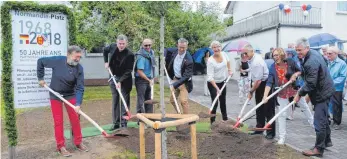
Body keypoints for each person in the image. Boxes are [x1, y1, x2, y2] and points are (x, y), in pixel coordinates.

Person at [37, 46, 88, 157]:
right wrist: (40, 78)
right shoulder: (58, 61)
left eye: (80, 57)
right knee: (58, 121)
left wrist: (78, 103)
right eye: (76, 57)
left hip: (70, 95)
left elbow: (80, 87)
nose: (78, 59)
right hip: (55, 95)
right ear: (69, 55)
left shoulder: (79, 69)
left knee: (75, 117)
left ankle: (78, 142)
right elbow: (40, 61)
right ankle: (61, 146)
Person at [293, 37, 335, 157]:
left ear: (307, 48)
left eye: (300, 50)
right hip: (325, 90)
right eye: (296, 50)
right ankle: (326, 141)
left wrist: (299, 94)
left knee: (319, 121)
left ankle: (318, 149)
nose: (298, 52)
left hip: (322, 93)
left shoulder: (311, 60)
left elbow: (311, 82)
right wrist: (300, 73)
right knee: (324, 118)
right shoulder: (313, 54)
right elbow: (312, 72)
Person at [262, 48, 311, 145]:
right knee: (281, 114)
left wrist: (294, 75)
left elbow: (300, 71)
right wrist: (265, 96)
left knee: (304, 106)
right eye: (274, 55)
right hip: (281, 91)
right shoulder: (273, 67)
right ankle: (282, 138)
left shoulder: (290, 61)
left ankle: (313, 123)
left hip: (293, 89)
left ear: (281, 55)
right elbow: (269, 82)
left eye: (277, 55)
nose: (275, 57)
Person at [243, 44, 275, 139]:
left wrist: (251, 91)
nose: (245, 55)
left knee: (268, 109)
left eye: (246, 53)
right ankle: (259, 128)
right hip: (258, 83)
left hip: (265, 84)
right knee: (259, 108)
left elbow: (258, 81)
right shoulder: (251, 59)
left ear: (252, 51)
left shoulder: (257, 62)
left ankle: (270, 133)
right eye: (243, 53)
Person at [103, 34, 135, 130]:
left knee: (124, 100)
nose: (121, 45)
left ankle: (124, 123)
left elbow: (129, 70)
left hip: (125, 79)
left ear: (126, 43)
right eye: (119, 43)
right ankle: (116, 123)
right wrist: (106, 62)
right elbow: (105, 50)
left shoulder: (130, 54)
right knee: (115, 100)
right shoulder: (112, 47)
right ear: (116, 43)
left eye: (123, 44)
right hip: (113, 76)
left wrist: (120, 81)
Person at [206, 41, 233, 124]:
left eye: (218, 46)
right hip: (213, 83)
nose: (216, 49)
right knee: (215, 102)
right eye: (214, 47)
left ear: (220, 47)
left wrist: (229, 70)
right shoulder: (210, 61)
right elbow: (210, 77)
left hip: (223, 81)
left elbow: (228, 61)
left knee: (223, 101)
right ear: (212, 49)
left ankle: (225, 119)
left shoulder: (224, 54)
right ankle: (212, 122)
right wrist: (217, 88)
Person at [165, 38, 193, 114]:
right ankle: (179, 114)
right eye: (180, 47)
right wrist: (164, 57)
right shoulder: (174, 51)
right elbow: (166, 49)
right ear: (177, 45)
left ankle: (187, 120)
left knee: (183, 101)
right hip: (175, 79)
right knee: (172, 100)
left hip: (184, 82)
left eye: (183, 47)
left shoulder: (189, 59)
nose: (181, 49)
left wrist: (175, 85)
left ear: (187, 47)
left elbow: (186, 76)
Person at [326, 46, 347, 130]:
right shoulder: (328, 62)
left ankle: (337, 122)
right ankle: (327, 119)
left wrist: (331, 83)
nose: (328, 55)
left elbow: (342, 77)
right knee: (326, 103)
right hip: (327, 87)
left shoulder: (342, 63)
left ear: (336, 54)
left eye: (330, 53)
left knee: (336, 105)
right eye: (327, 53)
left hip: (337, 88)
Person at [134, 39, 156, 114]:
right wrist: (149, 80)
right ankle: (141, 120)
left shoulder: (151, 53)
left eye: (149, 45)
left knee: (149, 99)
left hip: (149, 79)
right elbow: (139, 71)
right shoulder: (140, 56)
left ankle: (149, 118)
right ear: (142, 46)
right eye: (146, 45)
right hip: (141, 81)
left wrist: (152, 78)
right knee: (141, 100)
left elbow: (152, 67)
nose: (148, 47)